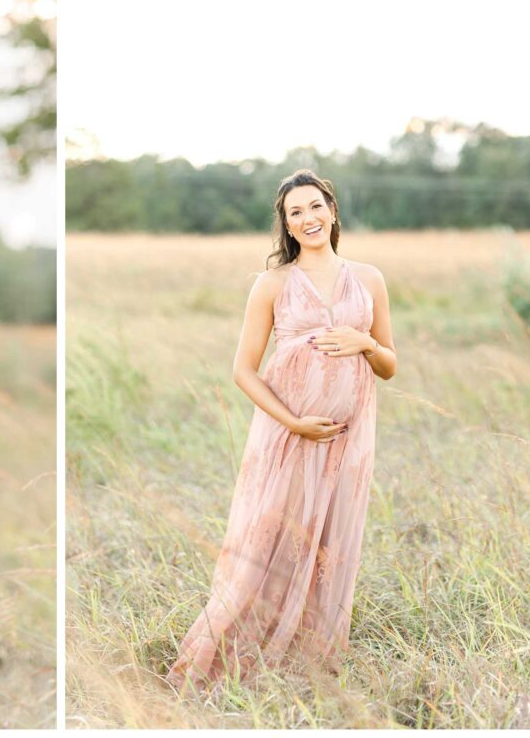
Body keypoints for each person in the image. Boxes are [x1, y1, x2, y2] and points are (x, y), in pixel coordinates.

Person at [166, 169, 397, 691]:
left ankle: (310, 659)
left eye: (315, 207)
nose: (308, 218)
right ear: (287, 225)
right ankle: (231, 654)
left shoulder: (370, 279)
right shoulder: (271, 284)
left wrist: (365, 345)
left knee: (331, 542)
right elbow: (243, 369)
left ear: (333, 211)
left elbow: (389, 364)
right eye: (296, 213)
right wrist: (294, 422)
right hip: (289, 434)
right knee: (270, 541)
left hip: (349, 437)